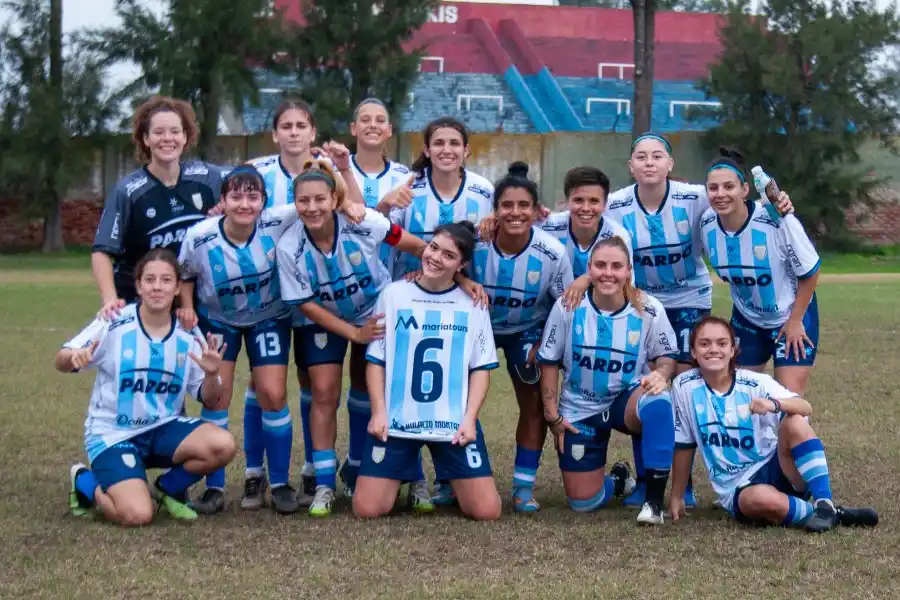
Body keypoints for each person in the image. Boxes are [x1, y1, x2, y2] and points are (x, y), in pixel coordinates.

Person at [275, 160, 437, 517]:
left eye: (320, 199)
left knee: (384, 392)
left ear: (335, 199)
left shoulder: (364, 221)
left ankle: (405, 474)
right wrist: (353, 333)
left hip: (374, 312)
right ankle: (324, 484)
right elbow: (303, 303)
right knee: (323, 392)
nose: (312, 207)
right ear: (294, 202)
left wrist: (432, 280)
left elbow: (416, 246)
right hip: (324, 318)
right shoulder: (289, 246)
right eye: (303, 201)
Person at [61, 249, 236, 526]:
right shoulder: (115, 321)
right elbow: (61, 358)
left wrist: (212, 375)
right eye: (150, 279)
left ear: (177, 287)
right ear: (138, 285)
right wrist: (74, 357)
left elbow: (212, 400)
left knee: (223, 444)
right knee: (137, 515)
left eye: (166, 280)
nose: (157, 286)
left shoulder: (188, 332)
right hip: (113, 435)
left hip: (162, 429)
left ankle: (166, 488)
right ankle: (86, 481)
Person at [248, 97, 364, 505]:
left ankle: (316, 468)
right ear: (275, 133)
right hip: (270, 294)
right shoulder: (257, 173)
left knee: (318, 384)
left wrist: (346, 180)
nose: (294, 132)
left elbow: (356, 209)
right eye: (287, 125)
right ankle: (256, 471)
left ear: (312, 131)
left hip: (322, 292)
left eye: (302, 125)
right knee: (267, 384)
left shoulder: (327, 168)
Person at [670, 316, 878, 531]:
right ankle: (834, 514)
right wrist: (677, 496)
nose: (714, 349)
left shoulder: (755, 382)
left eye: (722, 343)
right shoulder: (684, 387)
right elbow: (684, 444)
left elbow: (805, 407)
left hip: (778, 465)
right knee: (758, 500)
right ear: (693, 352)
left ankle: (824, 503)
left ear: (733, 350)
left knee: (794, 420)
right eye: (704, 344)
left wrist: (773, 404)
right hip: (740, 486)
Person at [352, 222, 503, 521]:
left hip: (451, 424)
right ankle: (409, 474)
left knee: (487, 511)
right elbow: (376, 362)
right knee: (367, 509)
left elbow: (480, 369)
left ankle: (441, 480)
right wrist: (379, 412)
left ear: (461, 265)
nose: (435, 257)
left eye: (448, 255)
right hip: (398, 420)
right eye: (433, 248)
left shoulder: (474, 304)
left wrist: (469, 419)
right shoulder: (394, 294)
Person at [176, 165, 299, 514]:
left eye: (253, 196)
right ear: (223, 201)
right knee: (217, 398)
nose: (244, 204)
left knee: (273, 394)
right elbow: (185, 274)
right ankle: (214, 488)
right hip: (219, 319)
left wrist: (324, 166)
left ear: (264, 200)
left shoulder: (278, 221)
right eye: (236, 196)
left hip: (269, 318)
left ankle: (278, 483)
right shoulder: (200, 236)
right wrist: (186, 308)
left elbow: (326, 197)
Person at [537, 236, 679, 524]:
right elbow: (549, 361)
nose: (608, 273)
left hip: (624, 399)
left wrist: (661, 375)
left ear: (628, 270)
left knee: (657, 402)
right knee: (582, 503)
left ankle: (653, 503)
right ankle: (619, 479)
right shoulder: (568, 305)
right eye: (600, 265)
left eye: (617, 266)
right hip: (580, 407)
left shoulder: (648, 308)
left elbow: (666, 358)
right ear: (589, 268)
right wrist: (552, 416)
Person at [470, 162, 573, 513]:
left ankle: (523, 486)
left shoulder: (552, 252)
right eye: (507, 206)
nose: (515, 213)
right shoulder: (474, 241)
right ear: (495, 211)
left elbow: (564, 305)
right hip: (476, 326)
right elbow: (444, 270)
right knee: (458, 400)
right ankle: (454, 479)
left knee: (532, 405)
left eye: (523, 206)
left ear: (536, 211)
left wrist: (546, 345)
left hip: (525, 329)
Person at [91, 96, 227, 316]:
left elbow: (248, 179)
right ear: (145, 138)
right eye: (159, 132)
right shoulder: (128, 191)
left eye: (174, 131)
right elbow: (101, 252)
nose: (167, 138)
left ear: (185, 136)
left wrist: (227, 208)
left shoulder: (206, 177)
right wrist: (110, 300)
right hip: (140, 303)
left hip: (192, 305)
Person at [700, 149, 818, 395]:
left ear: (744, 190)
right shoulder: (706, 223)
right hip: (747, 319)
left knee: (787, 402)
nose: (720, 194)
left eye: (728, 187)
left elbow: (809, 273)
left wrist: (795, 321)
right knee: (735, 394)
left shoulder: (777, 219)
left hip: (790, 315)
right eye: (713, 188)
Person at [390, 116, 495, 281]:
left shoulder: (484, 190)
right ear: (427, 150)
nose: (447, 150)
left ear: (466, 150)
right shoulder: (406, 186)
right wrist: (384, 205)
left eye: (454, 143)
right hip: (409, 287)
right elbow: (382, 231)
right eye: (439, 143)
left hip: (466, 294)